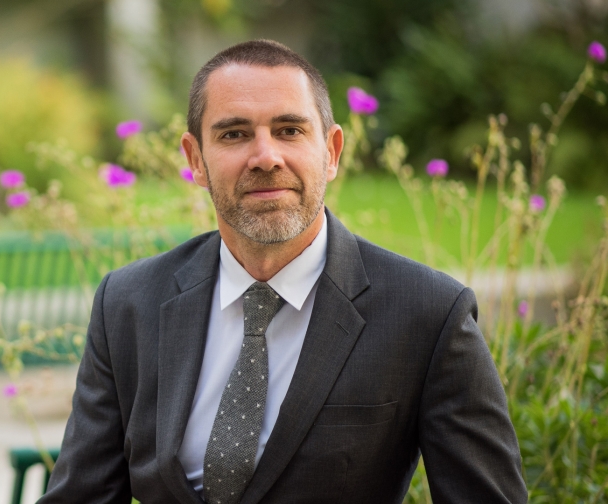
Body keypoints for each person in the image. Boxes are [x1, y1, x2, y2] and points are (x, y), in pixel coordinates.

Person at [39, 39, 526, 504]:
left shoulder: (428, 314)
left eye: (290, 130)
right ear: (196, 161)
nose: (266, 157)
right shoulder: (127, 303)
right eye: (234, 134)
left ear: (332, 152)